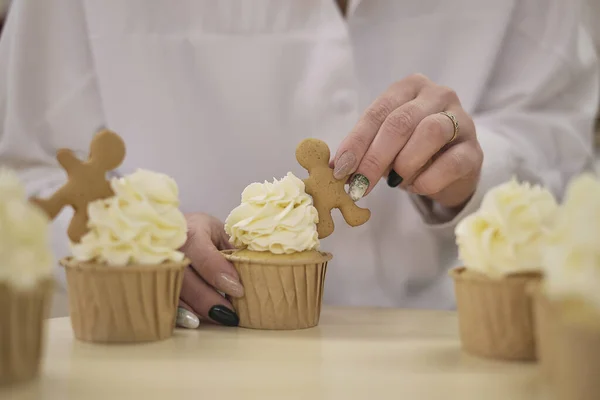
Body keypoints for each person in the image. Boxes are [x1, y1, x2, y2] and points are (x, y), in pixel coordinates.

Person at [0, 0, 597, 328]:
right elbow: (24, 176)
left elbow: (567, 148)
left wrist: (477, 168)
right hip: (175, 361)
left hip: (447, 349)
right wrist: (139, 241)